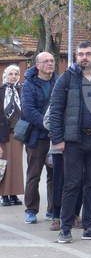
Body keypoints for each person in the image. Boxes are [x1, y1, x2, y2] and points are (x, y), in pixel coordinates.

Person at [48, 42, 91, 243]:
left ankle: (89, 227)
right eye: (80, 54)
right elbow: (56, 110)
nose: (84, 57)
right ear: (76, 56)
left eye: (88, 53)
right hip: (74, 141)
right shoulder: (66, 79)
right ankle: (66, 228)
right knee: (71, 184)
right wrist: (58, 139)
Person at [20, 53, 56, 224]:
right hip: (37, 137)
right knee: (34, 175)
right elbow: (28, 111)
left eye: (52, 61)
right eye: (46, 61)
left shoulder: (59, 82)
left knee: (55, 174)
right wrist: (48, 126)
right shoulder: (28, 85)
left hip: (57, 137)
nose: (50, 64)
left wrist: (56, 129)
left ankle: (53, 209)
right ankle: (31, 210)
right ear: (37, 65)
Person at [1, 65, 25, 208]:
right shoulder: (1, 92)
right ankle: (3, 195)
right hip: (3, 135)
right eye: (10, 74)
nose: (13, 76)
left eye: (16, 74)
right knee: (4, 164)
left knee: (16, 165)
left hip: (17, 134)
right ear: (6, 75)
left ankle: (14, 194)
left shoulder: (21, 91)